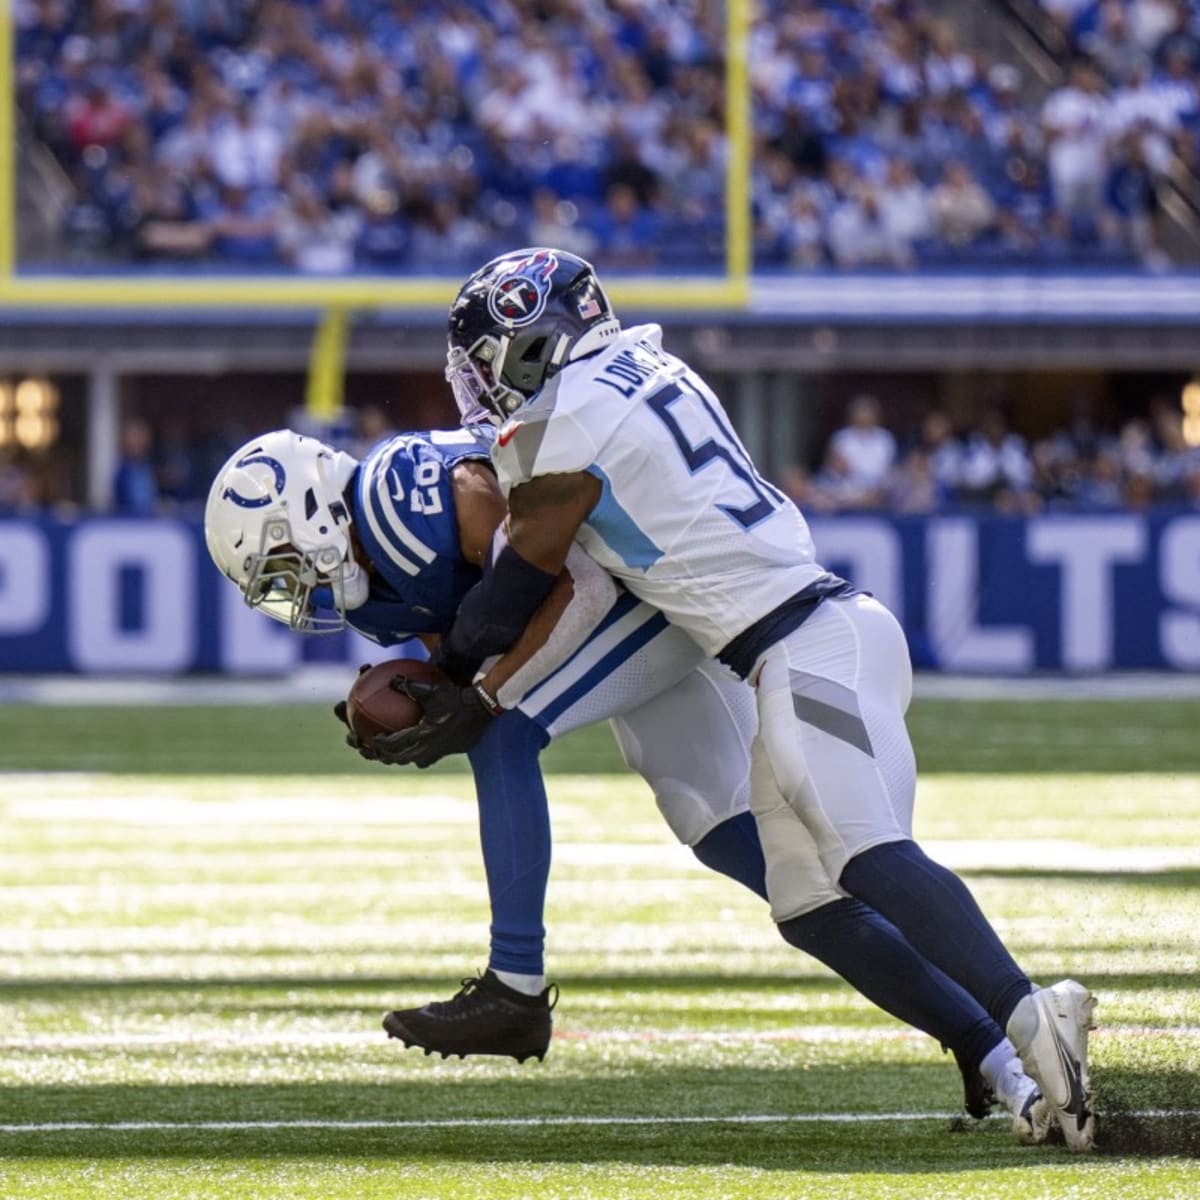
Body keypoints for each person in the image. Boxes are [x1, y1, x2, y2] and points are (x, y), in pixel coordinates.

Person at [382, 247, 1098, 1151]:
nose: (481, 386)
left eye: (487, 359)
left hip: (807, 642)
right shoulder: (649, 366)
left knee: (867, 854)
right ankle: (999, 1050)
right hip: (799, 643)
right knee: (809, 901)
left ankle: (1034, 1013)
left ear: (533, 340)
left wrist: (449, 684)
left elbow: (518, 582)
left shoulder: (560, 428)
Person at [205, 424, 1042, 1137]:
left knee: (504, 739)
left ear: (311, 509)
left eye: (281, 562)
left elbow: (569, 573)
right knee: (772, 871)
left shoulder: (410, 495)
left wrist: (484, 699)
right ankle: (996, 1053)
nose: (291, 589)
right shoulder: (368, 589)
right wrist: (430, 701)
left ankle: (516, 987)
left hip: (639, 587)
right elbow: (461, 639)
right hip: (611, 612)